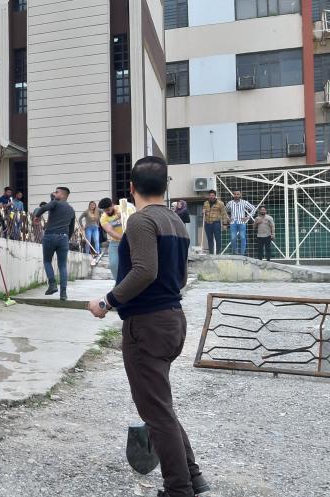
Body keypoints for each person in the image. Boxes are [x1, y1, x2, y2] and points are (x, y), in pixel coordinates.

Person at [90, 156, 210, 497]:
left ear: (131, 187)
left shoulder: (142, 222)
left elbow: (144, 271)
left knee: (155, 412)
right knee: (161, 406)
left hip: (147, 326)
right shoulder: (176, 221)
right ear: (166, 186)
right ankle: (193, 478)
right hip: (172, 320)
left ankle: (178, 489)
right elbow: (180, 277)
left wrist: (107, 301)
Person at [33, 187, 75, 301]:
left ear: (63, 195)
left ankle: (52, 284)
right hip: (64, 238)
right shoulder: (71, 210)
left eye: (57, 192)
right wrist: (66, 238)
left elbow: (43, 208)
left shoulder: (55, 203)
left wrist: (37, 216)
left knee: (47, 261)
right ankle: (63, 294)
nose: (55, 193)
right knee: (62, 266)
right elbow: (71, 228)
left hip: (50, 236)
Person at [99, 197, 137, 280]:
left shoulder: (126, 208)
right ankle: (119, 283)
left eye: (108, 209)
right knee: (114, 264)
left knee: (132, 264)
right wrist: (124, 239)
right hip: (116, 242)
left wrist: (123, 215)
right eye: (105, 210)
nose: (107, 212)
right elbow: (110, 231)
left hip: (132, 241)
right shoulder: (103, 218)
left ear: (112, 205)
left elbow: (136, 221)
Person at [226, 191, 256, 256]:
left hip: (242, 222)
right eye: (235, 194)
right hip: (233, 222)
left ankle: (242, 253)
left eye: (238, 194)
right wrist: (228, 218)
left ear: (240, 195)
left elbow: (253, 208)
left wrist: (248, 217)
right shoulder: (230, 203)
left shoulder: (244, 202)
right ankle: (235, 252)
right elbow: (224, 211)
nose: (236, 195)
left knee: (242, 238)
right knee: (233, 238)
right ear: (233, 195)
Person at [202, 190, 227, 255]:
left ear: (215, 196)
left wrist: (224, 224)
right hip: (207, 223)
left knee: (218, 239)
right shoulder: (205, 203)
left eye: (212, 195)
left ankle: (218, 254)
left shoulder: (220, 203)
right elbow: (204, 213)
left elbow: (224, 214)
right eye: (210, 195)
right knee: (209, 239)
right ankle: (211, 253)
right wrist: (203, 212)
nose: (211, 197)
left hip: (216, 223)